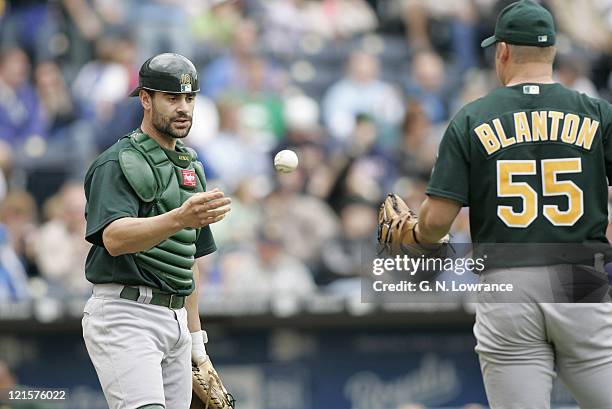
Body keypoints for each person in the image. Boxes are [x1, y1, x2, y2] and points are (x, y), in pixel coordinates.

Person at [379, 1, 612, 408]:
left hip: (508, 280)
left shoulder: (472, 118)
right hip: (581, 276)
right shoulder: (596, 112)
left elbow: (435, 226)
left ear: (502, 51)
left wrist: (414, 233)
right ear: (553, 51)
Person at [81, 53, 232, 409]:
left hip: (176, 319)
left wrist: (197, 341)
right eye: (172, 98)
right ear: (145, 99)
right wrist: (179, 217)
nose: (183, 108)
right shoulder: (117, 161)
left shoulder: (191, 165)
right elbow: (114, 239)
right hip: (125, 313)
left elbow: (187, 259)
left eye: (189, 98)